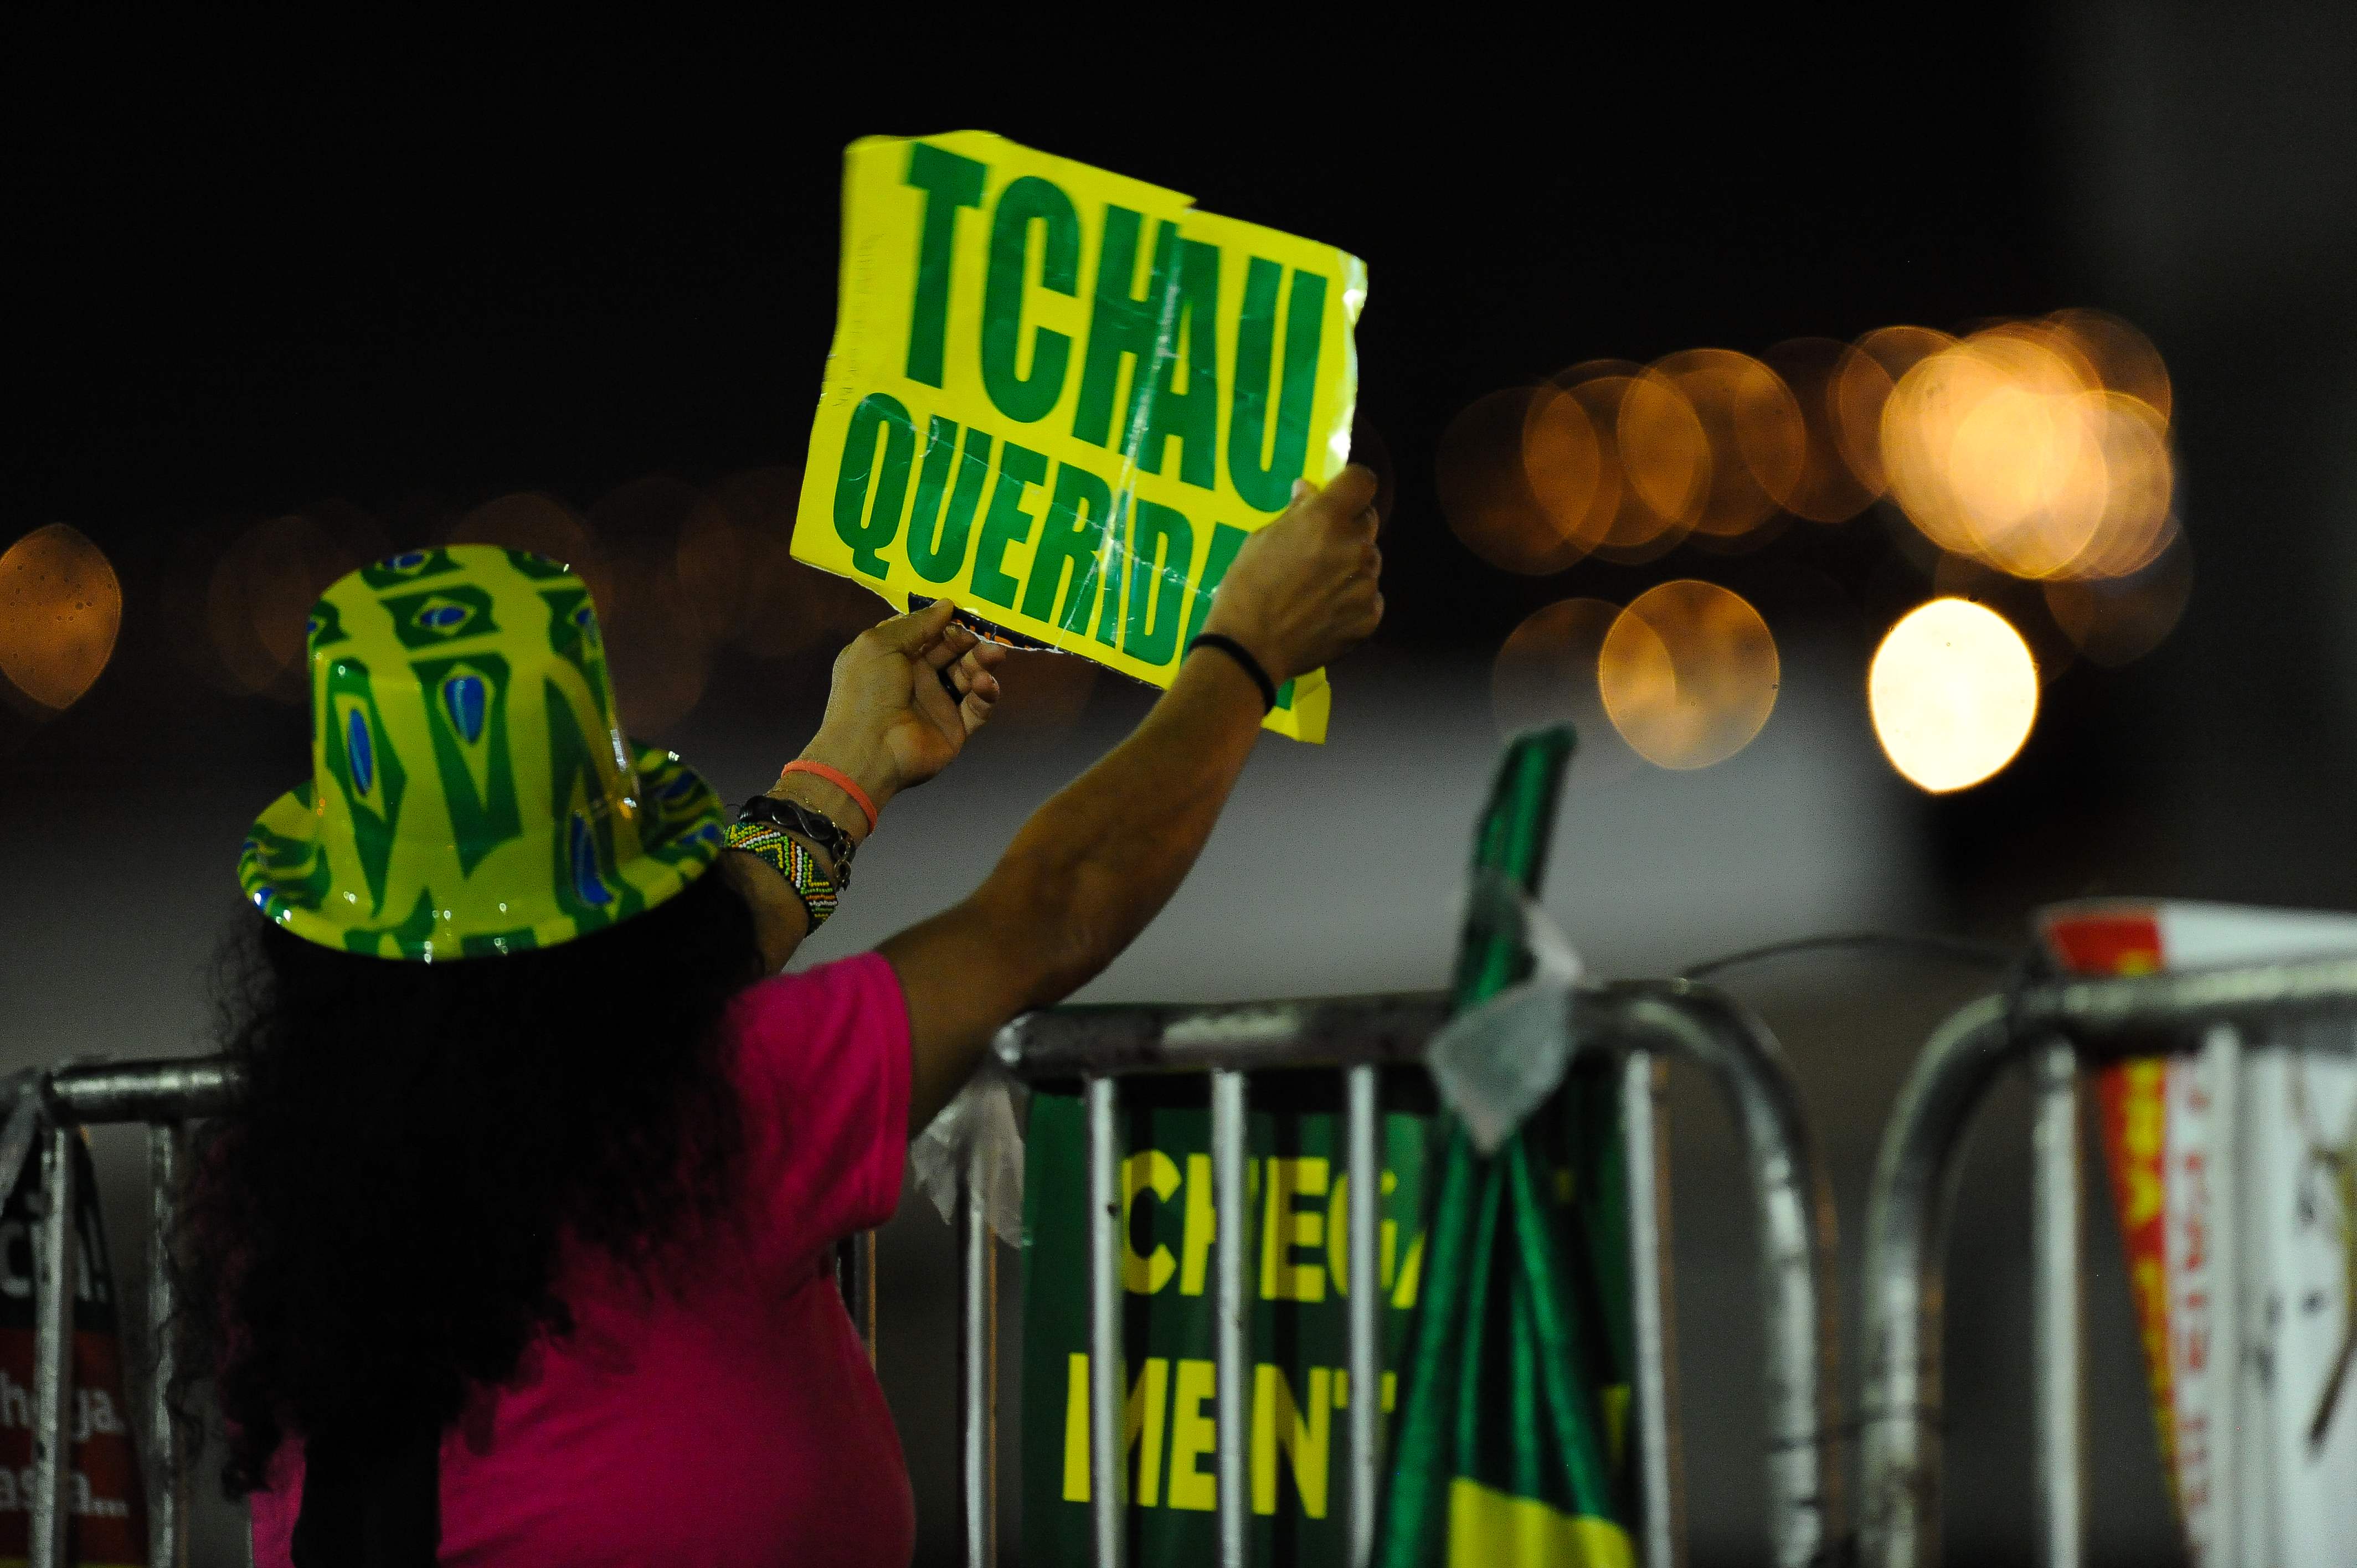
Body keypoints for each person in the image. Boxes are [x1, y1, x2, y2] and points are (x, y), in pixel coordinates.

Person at [181, 467, 1383, 1566]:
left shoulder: (284, 1207)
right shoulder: (723, 1119)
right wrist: (1246, 651)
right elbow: (1050, 910)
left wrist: (846, 767)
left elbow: (619, 1001)